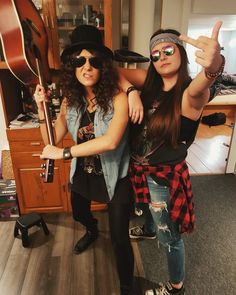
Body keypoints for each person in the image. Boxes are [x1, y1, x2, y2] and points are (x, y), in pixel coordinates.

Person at [34, 25, 142, 295]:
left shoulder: (119, 98)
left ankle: (127, 286)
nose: (87, 66)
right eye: (79, 60)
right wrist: (40, 108)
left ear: (103, 66)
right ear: (72, 66)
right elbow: (52, 138)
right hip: (83, 172)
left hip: (116, 174)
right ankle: (92, 230)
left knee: (119, 238)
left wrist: (65, 154)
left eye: (94, 60)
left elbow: (110, 142)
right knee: (80, 212)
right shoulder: (72, 101)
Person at [119, 21, 225, 295]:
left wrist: (215, 64)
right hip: (142, 170)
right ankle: (150, 229)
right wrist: (131, 92)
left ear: (181, 52)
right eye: (155, 54)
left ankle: (175, 286)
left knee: (171, 238)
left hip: (163, 179)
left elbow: (204, 83)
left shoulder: (189, 94)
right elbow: (114, 71)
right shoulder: (150, 86)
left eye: (168, 50)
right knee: (154, 215)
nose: (161, 57)